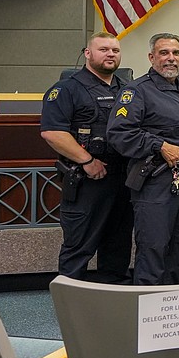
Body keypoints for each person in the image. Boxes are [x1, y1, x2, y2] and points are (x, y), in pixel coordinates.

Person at [107, 33, 179, 285]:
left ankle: (168, 309)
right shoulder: (137, 91)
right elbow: (119, 133)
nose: (170, 59)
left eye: (175, 53)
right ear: (151, 57)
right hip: (155, 181)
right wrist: (159, 145)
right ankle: (146, 307)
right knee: (153, 247)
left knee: (178, 246)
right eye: (164, 53)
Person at [40, 32, 133, 283]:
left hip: (123, 177)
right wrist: (87, 161)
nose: (110, 54)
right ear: (88, 53)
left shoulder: (127, 90)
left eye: (114, 50)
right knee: (78, 244)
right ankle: (70, 304)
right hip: (87, 180)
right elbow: (52, 132)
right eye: (103, 50)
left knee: (118, 244)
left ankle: (114, 298)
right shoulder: (66, 89)